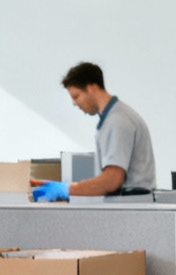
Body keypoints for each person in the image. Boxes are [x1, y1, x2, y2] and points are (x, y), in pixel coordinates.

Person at [32, 62, 156, 200]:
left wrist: (66, 189)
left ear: (91, 88)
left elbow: (112, 180)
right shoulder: (110, 120)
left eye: (76, 96)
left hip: (132, 205)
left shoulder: (118, 121)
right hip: (125, 205)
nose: (74, 103)